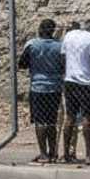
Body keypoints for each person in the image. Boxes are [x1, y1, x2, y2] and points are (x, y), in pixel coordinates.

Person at [19, 18, 65, 163]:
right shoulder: (60, 46)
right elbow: (64, 65)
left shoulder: (32, 44)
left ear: (40, 29)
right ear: (53, 31)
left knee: (39, 121)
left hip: (38, 87)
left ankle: (43, 153)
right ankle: (52, 152)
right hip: (55, 87)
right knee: (51, 121)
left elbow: (22, 64)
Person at [60, 19, 90, 163]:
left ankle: (65, 153)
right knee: (87, 118)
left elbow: (63, 56)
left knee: (70, 117)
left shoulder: (69, 35)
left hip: (70, 80)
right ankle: (89, 154)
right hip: (87, 82)